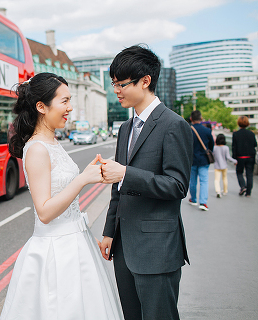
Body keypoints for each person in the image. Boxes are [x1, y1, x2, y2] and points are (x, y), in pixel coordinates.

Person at [1, 73, 123, 320]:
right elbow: (44, 212)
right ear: (41, 107)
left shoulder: (53, 143)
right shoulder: (36, 149)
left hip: (77, 242)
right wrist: (82, 179)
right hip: (55, 252)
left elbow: (63, 185)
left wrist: (90, 173)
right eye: (64, 101)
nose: (70, 108)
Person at [96, 45, 193, 320]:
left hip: (157, 250)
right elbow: (118, 189)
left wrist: (126, 173)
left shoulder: (174, 125)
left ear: (145, 81)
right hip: (124, 248)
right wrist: (109, 231)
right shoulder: (125, 128)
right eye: (113, 83)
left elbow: (177, 186)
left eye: (121, 84)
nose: (116, 90)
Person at [189, 110, 214, 211]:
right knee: (204, 181)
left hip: (191, 159)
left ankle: (193, 199)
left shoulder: (188, 130)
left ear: (191, 119)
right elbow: (211, 145)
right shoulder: (207, 131)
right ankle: (203, 202)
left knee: (192, 181)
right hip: (204, 159)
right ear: (201, 118)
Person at [232, 116, 257, 197]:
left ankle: (243, 186)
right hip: (250, 157)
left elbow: (234, 147)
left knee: (239, 172)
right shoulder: (251, 134)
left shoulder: (236, 134)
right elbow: (255, 144)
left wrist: (234, 158)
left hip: (240, 157)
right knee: (249, 174)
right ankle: (248, 192)